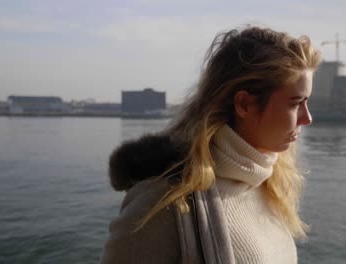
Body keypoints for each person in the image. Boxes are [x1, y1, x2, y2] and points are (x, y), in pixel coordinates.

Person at [100, 25, 321, 264]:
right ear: (244, 104)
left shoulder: (269, 184)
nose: (307, 118)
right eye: (295, 103)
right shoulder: (162, 204)